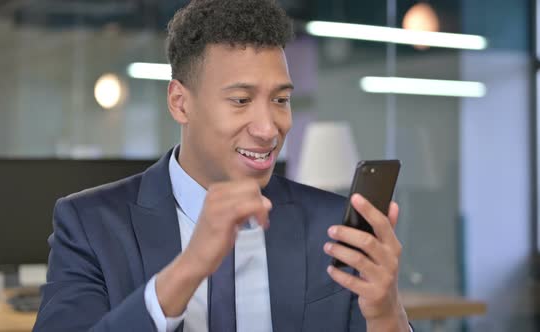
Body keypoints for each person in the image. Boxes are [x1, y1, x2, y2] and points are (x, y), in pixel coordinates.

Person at [33, 0, 411, 331]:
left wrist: (386, 315)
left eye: (280, 100)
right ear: (181, 103)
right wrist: (190, 266)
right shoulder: (90, 225)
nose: (268, 129)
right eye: (241, 100)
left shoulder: (331, 227)